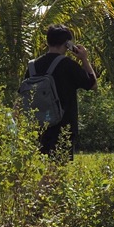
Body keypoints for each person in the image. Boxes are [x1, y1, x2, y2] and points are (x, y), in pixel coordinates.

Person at [28, 26, 97, 156]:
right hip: (63, 127)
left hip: (37, 125)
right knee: (58, 170)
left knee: (37, 169)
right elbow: (92, 84)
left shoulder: (33, 66)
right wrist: (84, 59)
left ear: (48, 42)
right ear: (67, 44)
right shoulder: (68, 65)